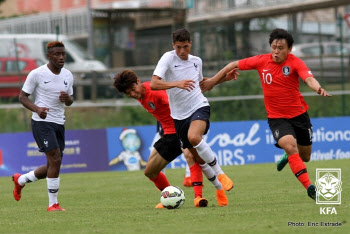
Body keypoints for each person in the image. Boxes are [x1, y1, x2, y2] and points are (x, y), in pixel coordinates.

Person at [200, 28, 331, 200]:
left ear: (289, 49)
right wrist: (212, 81)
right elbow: (232, 65)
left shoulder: (295, 62)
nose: (276, 51)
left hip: (299, 115)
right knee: (290, 145)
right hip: (277, 118)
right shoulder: (261, 61)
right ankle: (310, 187)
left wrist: (318, 88)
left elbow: (309, 78)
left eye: (281, 48)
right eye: (274, 47)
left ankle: (288, 154)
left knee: (305, 156)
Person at [150, 28, 234, 206]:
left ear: (191, 44)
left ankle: (220, 173)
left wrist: (223, 79)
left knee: (194, 137)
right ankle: (219, 189)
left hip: (199, 106)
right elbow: (154, 83)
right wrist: (177, 83)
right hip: (178, 116)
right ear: (173, 45)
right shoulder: (167, 58)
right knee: (198, 159)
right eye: (178, 47)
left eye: (186, 47)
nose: (182, 51)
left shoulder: (196, 62)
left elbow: (202, 86)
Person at [113, 70, 213, 208]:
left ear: (138, 82)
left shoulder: (154, 92)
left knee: (190, 156)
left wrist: (188, 127)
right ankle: (170, 196)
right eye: (128, 93)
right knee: (150, 171)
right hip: (168, 135)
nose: (132, 94)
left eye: (132, 89)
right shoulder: (142, 96)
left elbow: (177, 103)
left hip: (181, 128)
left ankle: (199, 198)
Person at [13, 41, 74, 211]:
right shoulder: (37, 74)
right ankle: (53, 204)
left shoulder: (68, 75)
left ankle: (21, 180)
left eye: (63, 54)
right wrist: (37, 109)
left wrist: (67, 99)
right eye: (57, 54)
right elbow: (22, 97)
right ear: (49, 56)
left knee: (52, 165)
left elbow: (71, 100)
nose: (61, 57)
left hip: (59, 123)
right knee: (55, 159)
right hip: (41, 122)